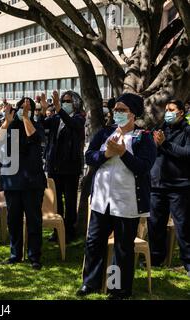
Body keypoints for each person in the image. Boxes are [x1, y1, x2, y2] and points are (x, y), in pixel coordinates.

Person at [78, 93, 156, 299]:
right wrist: (105, 154)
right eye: (116, 109)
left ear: (133, 114)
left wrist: (123, 153)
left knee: (122, 248)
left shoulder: (144, 137)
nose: (117, 113)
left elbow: (143, 167)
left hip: (126, 202)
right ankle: (91, 283)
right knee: (94, 242)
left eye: (122, 110)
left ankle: (117, 288)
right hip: (101, 202)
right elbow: (89, 156)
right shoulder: (105, 133)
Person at [0, 97, 47, 270]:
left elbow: (35, 138)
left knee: (33, 221)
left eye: (26, 108)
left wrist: (26, 118)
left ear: (32, 111)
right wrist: (6, 122)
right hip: (12, 182)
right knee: (14, 220)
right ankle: (15, 254)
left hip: (32, 183)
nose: (22, 110)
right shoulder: (10, 125)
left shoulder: (35, 124)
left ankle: (34, 256)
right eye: (20, 107)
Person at [148, 99, 190, 277]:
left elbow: (187, 153)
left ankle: (187, 262)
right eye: (166, 109)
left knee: (183, 226)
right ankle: (156, 258)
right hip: (157, 185)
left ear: (181, 112)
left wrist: (165, 144)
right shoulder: (160, 127)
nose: (167, 112)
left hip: (179, 186)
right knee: (156, 224)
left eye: (171, 109)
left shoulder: (187, 131)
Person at [40, 90, 85, 242]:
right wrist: (41, 108)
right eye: (63, 101)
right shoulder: (56, 117)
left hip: (70, 167)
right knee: (56, 200)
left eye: (68, 101)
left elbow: (71, 123)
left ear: (75, 103)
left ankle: (69, 231)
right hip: (54, 166)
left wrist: (58, 108)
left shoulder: (79, 118)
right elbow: (42, 124)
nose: (65, 104)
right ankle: (57, 230)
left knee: (71, 200)